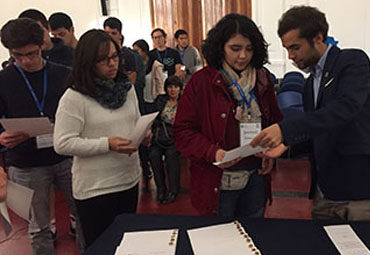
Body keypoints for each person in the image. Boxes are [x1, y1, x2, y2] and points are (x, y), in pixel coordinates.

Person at [250, 6, 370, 221]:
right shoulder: (308, 84)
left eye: (295, 47)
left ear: (318, 38)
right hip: (324, 192)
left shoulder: (353, 61)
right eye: (287, 48)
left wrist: (285, 130)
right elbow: (317, 130)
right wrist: (284, 147)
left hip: (358, 191)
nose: (291, 56)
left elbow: (344, 109)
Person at [172, 14, 282, 216]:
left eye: (249, 49)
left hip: (256, 175)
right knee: (218, 242)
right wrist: (213, 152)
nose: (243, 56)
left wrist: (271, 150)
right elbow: (182, 131)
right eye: (235, 48)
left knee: (254, 237)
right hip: (216, 180)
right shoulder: (201, 81)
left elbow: (275, 122)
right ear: (220, 47)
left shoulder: (263, 78)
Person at [53, 29, 147, 247]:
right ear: (87, 62)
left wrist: (143, 133)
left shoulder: (126, 88)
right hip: (96, 189)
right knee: (102, 247)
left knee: (127, 245)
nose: (112, 64)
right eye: (103, 60)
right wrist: (107, 144)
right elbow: (63, 143)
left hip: (128, 179)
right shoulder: (75, 97)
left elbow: (136, 119)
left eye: (115, 57)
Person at [0, 18, 82, 255]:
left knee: (84, 216)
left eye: (32, 53)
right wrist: (2, 137)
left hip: (68, 157)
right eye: (18, 55)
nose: (26, 60)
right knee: (39, 227)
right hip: (26, 163)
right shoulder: (4, 80)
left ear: (43, 46)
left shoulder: (65, 75)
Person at [149, 75, 182, 203]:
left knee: (171, 156)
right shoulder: (160, 100)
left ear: (180, 89)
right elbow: (152, 117)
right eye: (170, 87)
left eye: (175, 87)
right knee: (154, 155)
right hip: (159, 135)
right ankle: (161, 189)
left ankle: (173, 190)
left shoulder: (184, 102)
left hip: (175, 138)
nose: (173, 90)